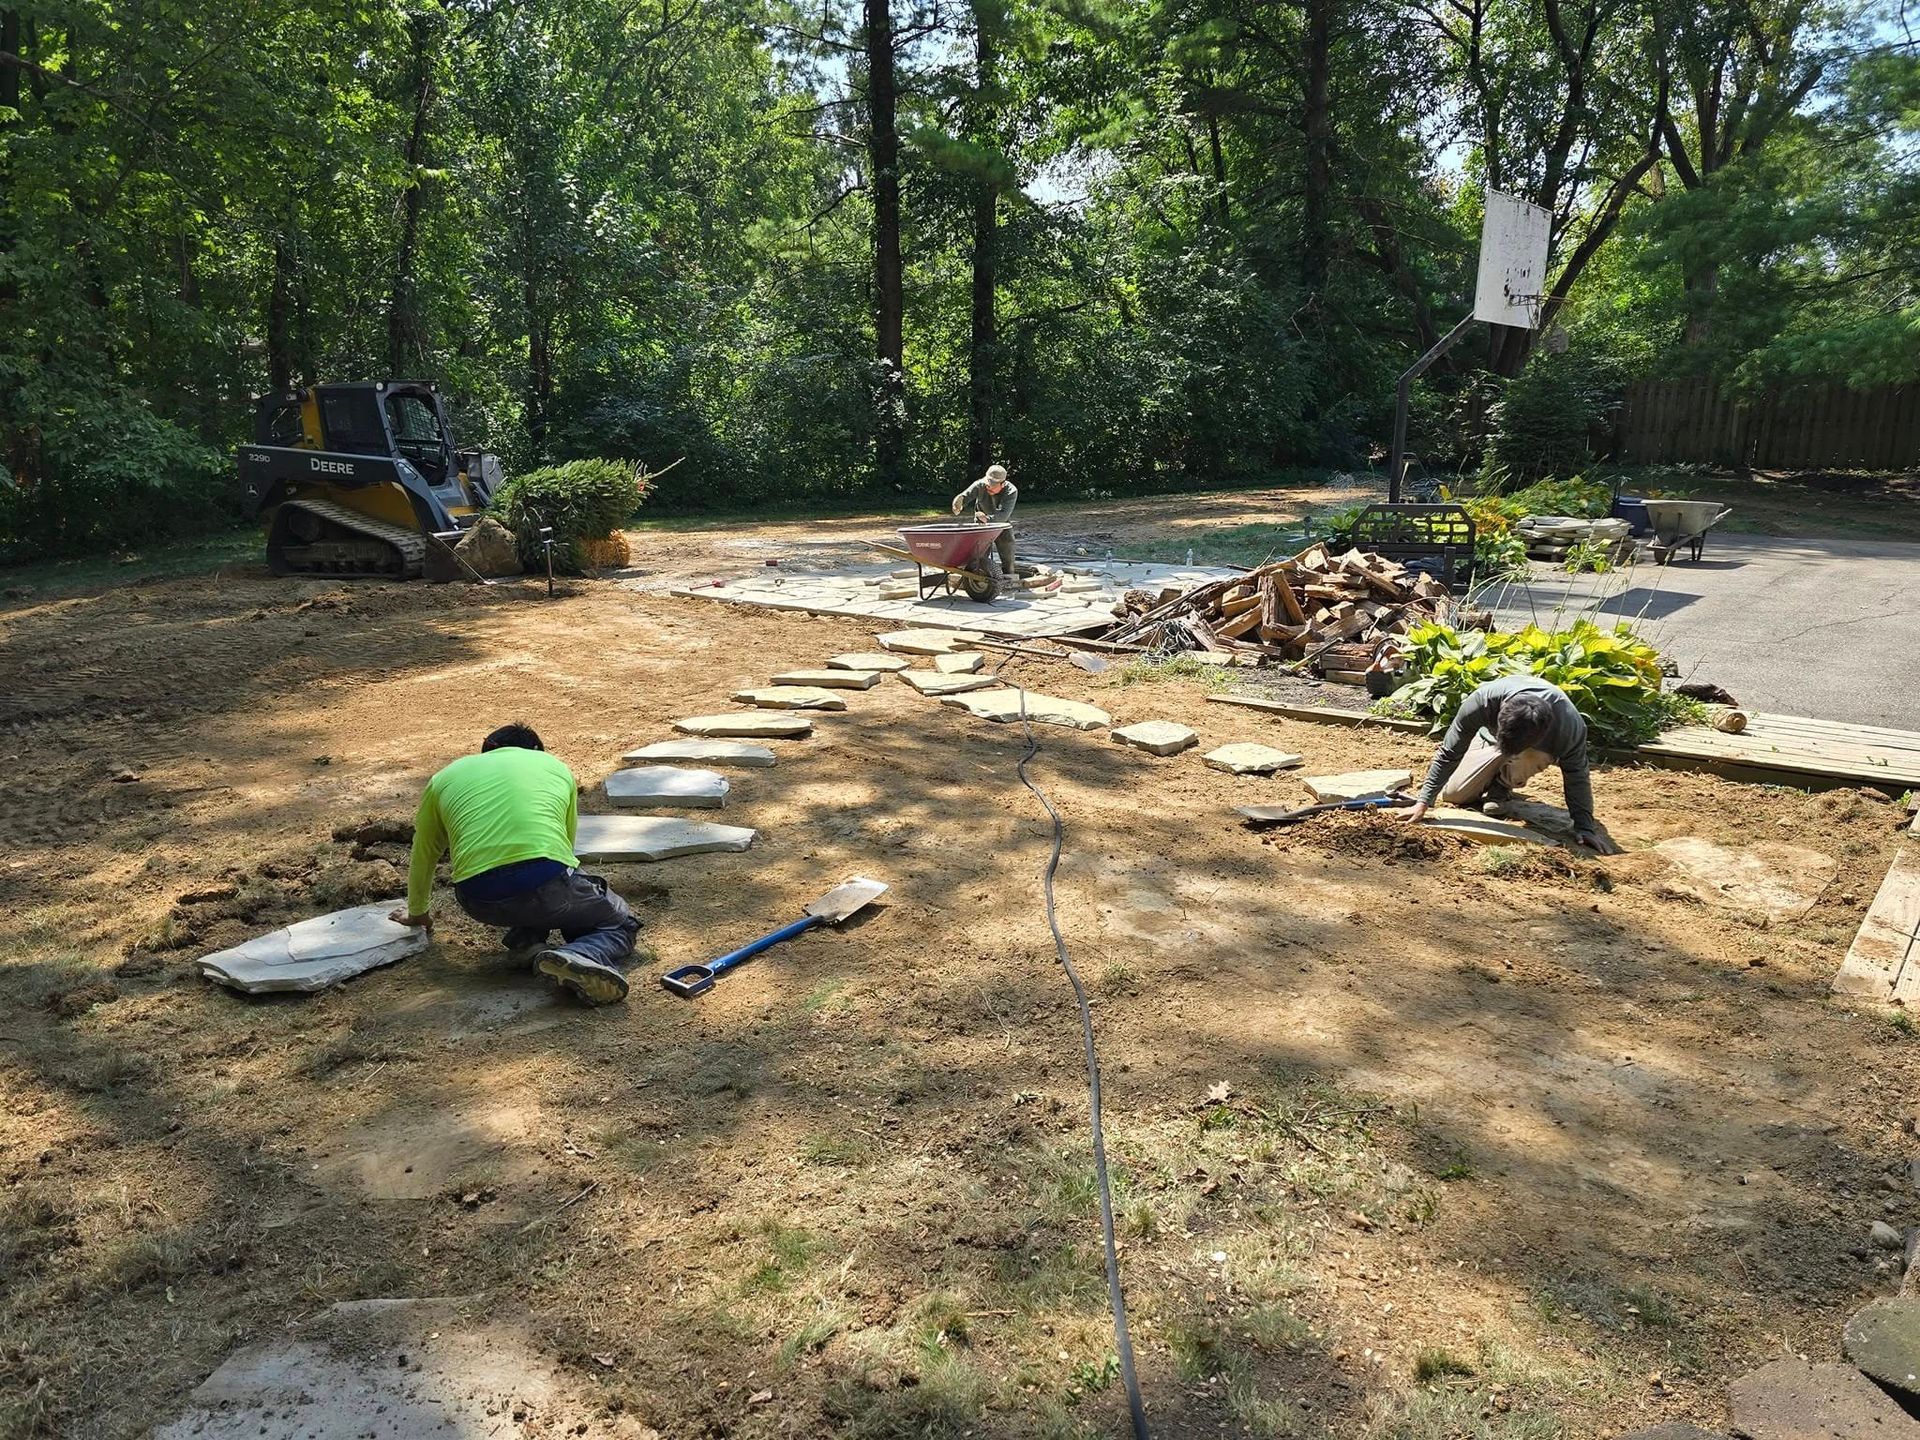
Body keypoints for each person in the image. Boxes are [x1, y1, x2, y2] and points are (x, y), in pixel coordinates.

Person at [390, 722, 641, 1005]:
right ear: (535, 751)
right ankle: (582, 954)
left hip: (477, 898)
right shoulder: (554, 766)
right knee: (620, 924)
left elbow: (424, 852)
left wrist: (418, 912)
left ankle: (527, 944)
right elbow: (565, 854)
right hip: (546, 884)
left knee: (536, 888)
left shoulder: (443, 778)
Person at [1399, 676, 1621, 854]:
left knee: (1533, 755)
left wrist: (1584, 826)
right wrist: (1423, 802)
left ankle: (1502, 787)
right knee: (1455, 795)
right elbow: (1449, 753)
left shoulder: (1569, 725)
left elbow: (1577, 775)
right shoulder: (1483, 701)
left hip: (1532, 752)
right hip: (1490, 743)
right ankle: (1497, 764)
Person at [951, 463, 1018, 582]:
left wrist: (987, 519)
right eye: (987, 484)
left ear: (1002, 484)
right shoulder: (980, 485)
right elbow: (964, 496)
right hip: (981, 525)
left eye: (992, 486)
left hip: (1001, 523)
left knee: (1008, 547)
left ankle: (1009, 575)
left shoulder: (1011, 491)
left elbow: (1003, 515)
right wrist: (958, 503)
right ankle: (975, 578)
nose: (988, 488)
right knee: (979, 553)